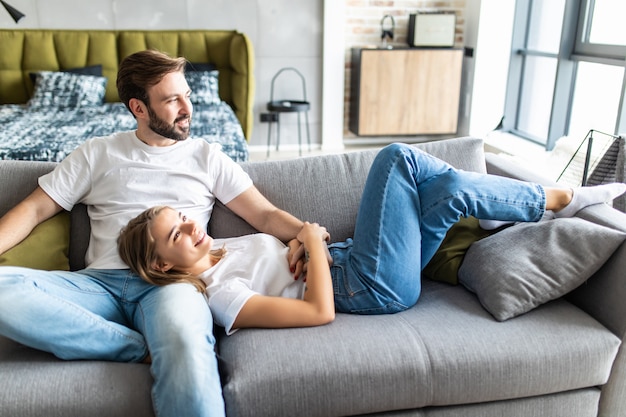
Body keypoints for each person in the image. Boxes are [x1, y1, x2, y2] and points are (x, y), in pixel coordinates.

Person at [0, 50, 308, 417]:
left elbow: (265, 214)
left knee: (185, 343)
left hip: (172, 285)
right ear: (139, 108)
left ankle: (147, 345)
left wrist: (307, 234)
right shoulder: (97, 153)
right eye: (171, 100)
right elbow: (35, 208)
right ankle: (134, 347)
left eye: (187, 95)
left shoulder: (206, 157)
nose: (186, 108)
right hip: (99, 286)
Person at [118, 143, 626, 338]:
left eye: (182, 217)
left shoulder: (226, 248)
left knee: (451, 191)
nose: (190, 226)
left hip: (356, 261)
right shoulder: (219, 295)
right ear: (162, 265)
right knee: (394, 158)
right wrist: (311, 239)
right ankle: (559, 200)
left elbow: (288, 242)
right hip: (367, 284)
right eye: (175, 234)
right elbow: (318, 311)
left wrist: (299, 242)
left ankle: (507, 212)